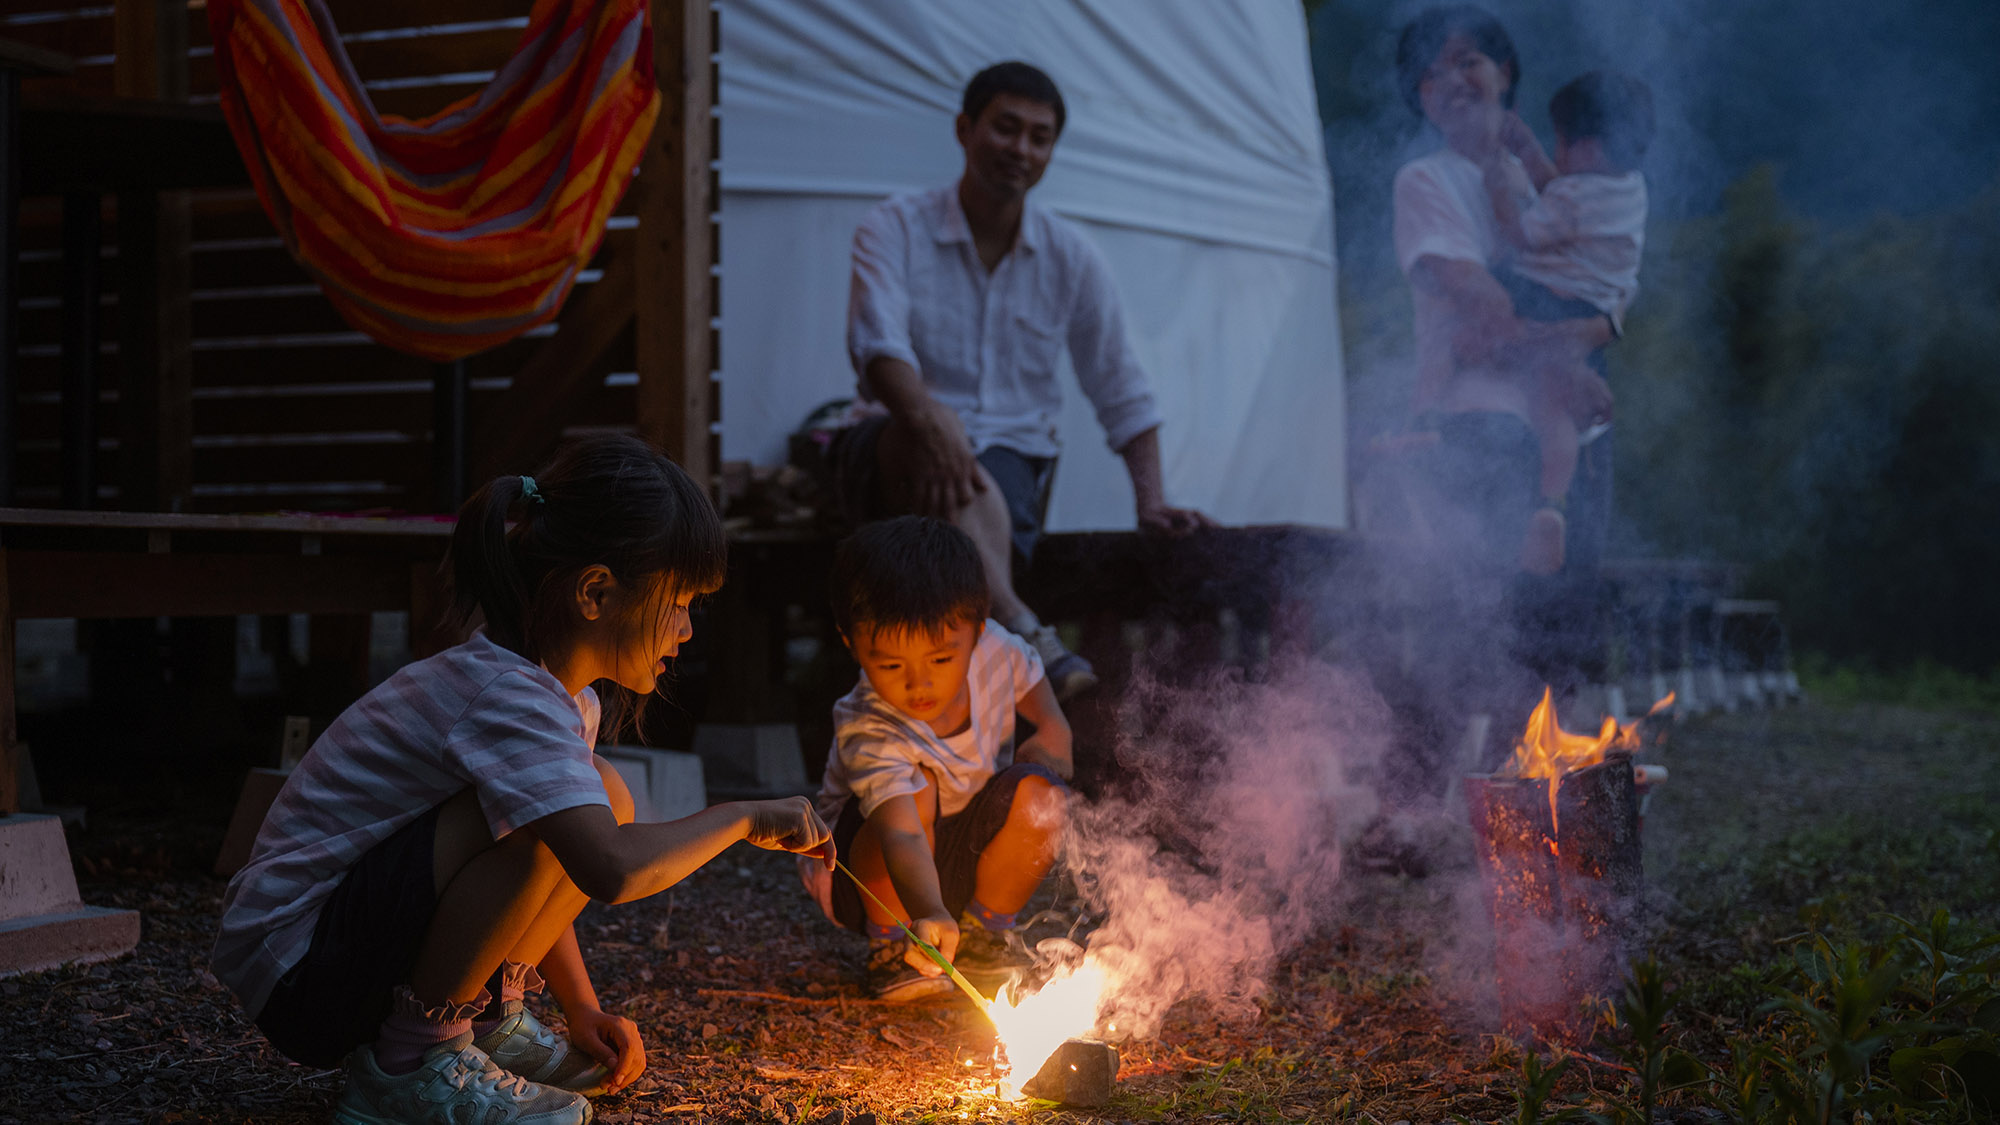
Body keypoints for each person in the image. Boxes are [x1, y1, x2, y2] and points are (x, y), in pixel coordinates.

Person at [212, 434, 834, 1125]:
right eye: (678, 600)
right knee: (564, 818)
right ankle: (409, 1064)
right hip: (299, 970)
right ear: (596, 591)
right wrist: (744, 818)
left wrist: (581, 1006)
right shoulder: (508, 697)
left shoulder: (559, 697)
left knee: (601, 795)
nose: (686, 629)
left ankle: (485, 1021)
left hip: (340, 946)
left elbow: (552, 857)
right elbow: (608, 869)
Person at [837, 60, 1212, 701]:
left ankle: (1001, 639)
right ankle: (1023, 628)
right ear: (964, 129)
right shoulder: (894, 226)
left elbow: (1120, 385)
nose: (1022, 149)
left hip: (1007, 468)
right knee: (921, 436)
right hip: (893, 455)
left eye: (1040, 137)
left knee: (978, 471)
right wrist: (934, 423)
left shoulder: (1071, 257)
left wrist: (1151, 501)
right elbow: (878, 347)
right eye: (1006, 129)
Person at [1383, 6, 1619, 791]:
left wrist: (1575, 348)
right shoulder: (1426, 182)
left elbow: (1592, 282)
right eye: (1430, 72)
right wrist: (1570, 355)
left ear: (1505, 73)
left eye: (1467, 61)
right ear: (1419, 98)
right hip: (1472, 426)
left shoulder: (1538, 181)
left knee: (1554, 627)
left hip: (1557, 435)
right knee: (1472, 617)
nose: (1450, 79)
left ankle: (1521, 801)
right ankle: (1410, 808)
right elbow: (1482, 304)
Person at [797, 516, 1072, 1001]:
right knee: (915, 789)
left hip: (962, 852)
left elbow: (1041, 701)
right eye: (890, 664)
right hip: (867, 871)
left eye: (941, 660)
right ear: (851, 643)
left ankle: (983, 936)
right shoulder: (869, 724)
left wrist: (1051, 740)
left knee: (1041, 794)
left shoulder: (999, 653)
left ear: (978, 632)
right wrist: (929, 910)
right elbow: (901, 830)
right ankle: (891, 946)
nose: (918, 684)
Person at [1477, 71, 1654, 574]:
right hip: (1593, 310)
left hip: (1547, 300)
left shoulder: (1574, 198)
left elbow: (1524, 233)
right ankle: (1554, 508)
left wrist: (1496, 185)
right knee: (1569, 415)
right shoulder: (1628, 190)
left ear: (1591, 147)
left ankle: (1548, 505)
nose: (1555, 152)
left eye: (1560, 142)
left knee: (1549, 411)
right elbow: (1564, 195)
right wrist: (1533, 152)